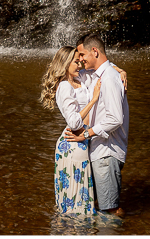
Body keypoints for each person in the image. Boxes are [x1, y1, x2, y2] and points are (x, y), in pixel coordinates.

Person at [64, 33, 129, 217]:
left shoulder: (108, 78)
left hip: (106, 151)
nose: (81, 60)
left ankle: (121, 231)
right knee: (104, 205)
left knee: (111, 209)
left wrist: (85, 134)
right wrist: (117, 67)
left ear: (94, 51)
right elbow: (67, 68)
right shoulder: (97, 74)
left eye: (82, 55)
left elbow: (115, 118)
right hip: (100, 150)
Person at [40, 46, 100, 216]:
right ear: (66, 64)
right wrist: (94, 100)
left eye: (80, 60)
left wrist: (119, 70)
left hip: (82, 139)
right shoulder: (65, 87)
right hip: (73, 143)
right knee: (75, 198)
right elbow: (73, 122)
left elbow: (101, 68)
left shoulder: (79, 79)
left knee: (81, 194)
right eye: (76, 61)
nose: (80, 63)